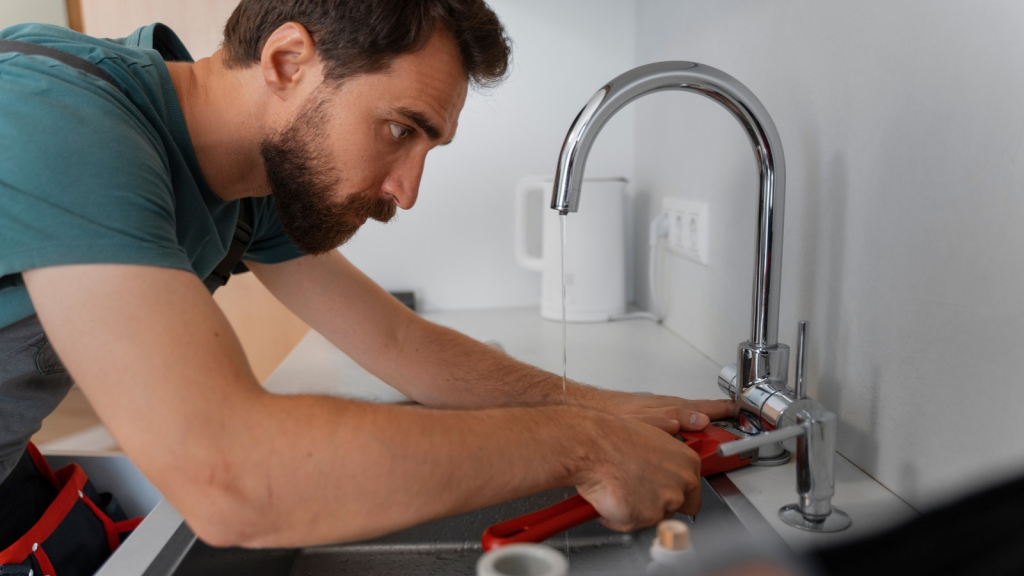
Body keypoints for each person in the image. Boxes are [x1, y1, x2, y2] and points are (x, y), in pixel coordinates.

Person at [0, 0, 733, 572]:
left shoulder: (249, 182)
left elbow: (398, 343)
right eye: (398, 129)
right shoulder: (60, 117)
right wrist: (582, 445)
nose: (406, 191)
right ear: (288, 61)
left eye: (427, 146)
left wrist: (604, 409)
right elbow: (230, 478)